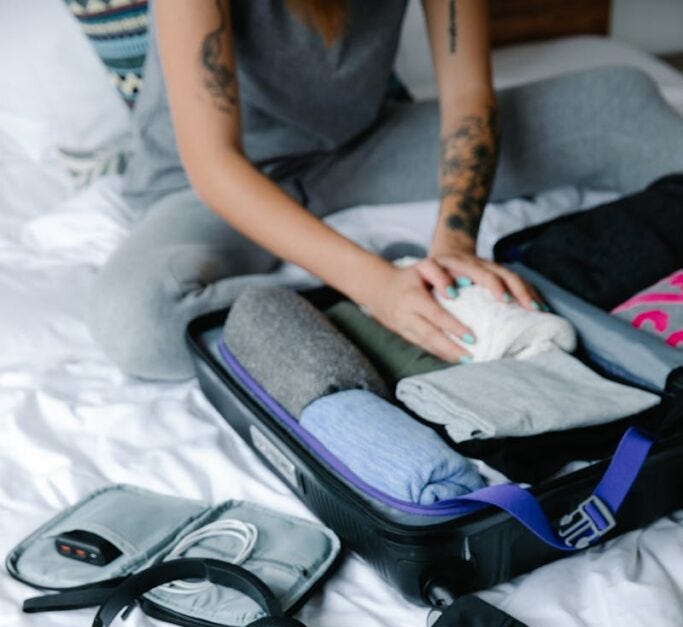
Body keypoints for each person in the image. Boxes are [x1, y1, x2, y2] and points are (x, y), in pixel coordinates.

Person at [89, 0, 683, 380]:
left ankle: (412, 292)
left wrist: (454, 242)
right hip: (214, 185)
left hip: (359, 149)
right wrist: (375, 283)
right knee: (139, 322)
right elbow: (216, 164)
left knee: (621, 102)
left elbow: (466, 96)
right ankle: (386, 308)